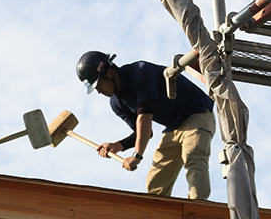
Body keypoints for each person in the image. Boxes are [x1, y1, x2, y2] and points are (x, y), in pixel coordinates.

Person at [76, 51, 216, 200]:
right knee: (156, 181)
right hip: (173, 127)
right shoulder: (117, 103)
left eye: (98, 85)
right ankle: (158, 217)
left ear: (109, 73)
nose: (98, 91)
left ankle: (195, 210)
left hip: (197, 114)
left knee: (193, 156)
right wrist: (118, 145)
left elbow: (145, 116)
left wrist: (137, 155)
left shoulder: (140, 72)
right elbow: (143, 132)